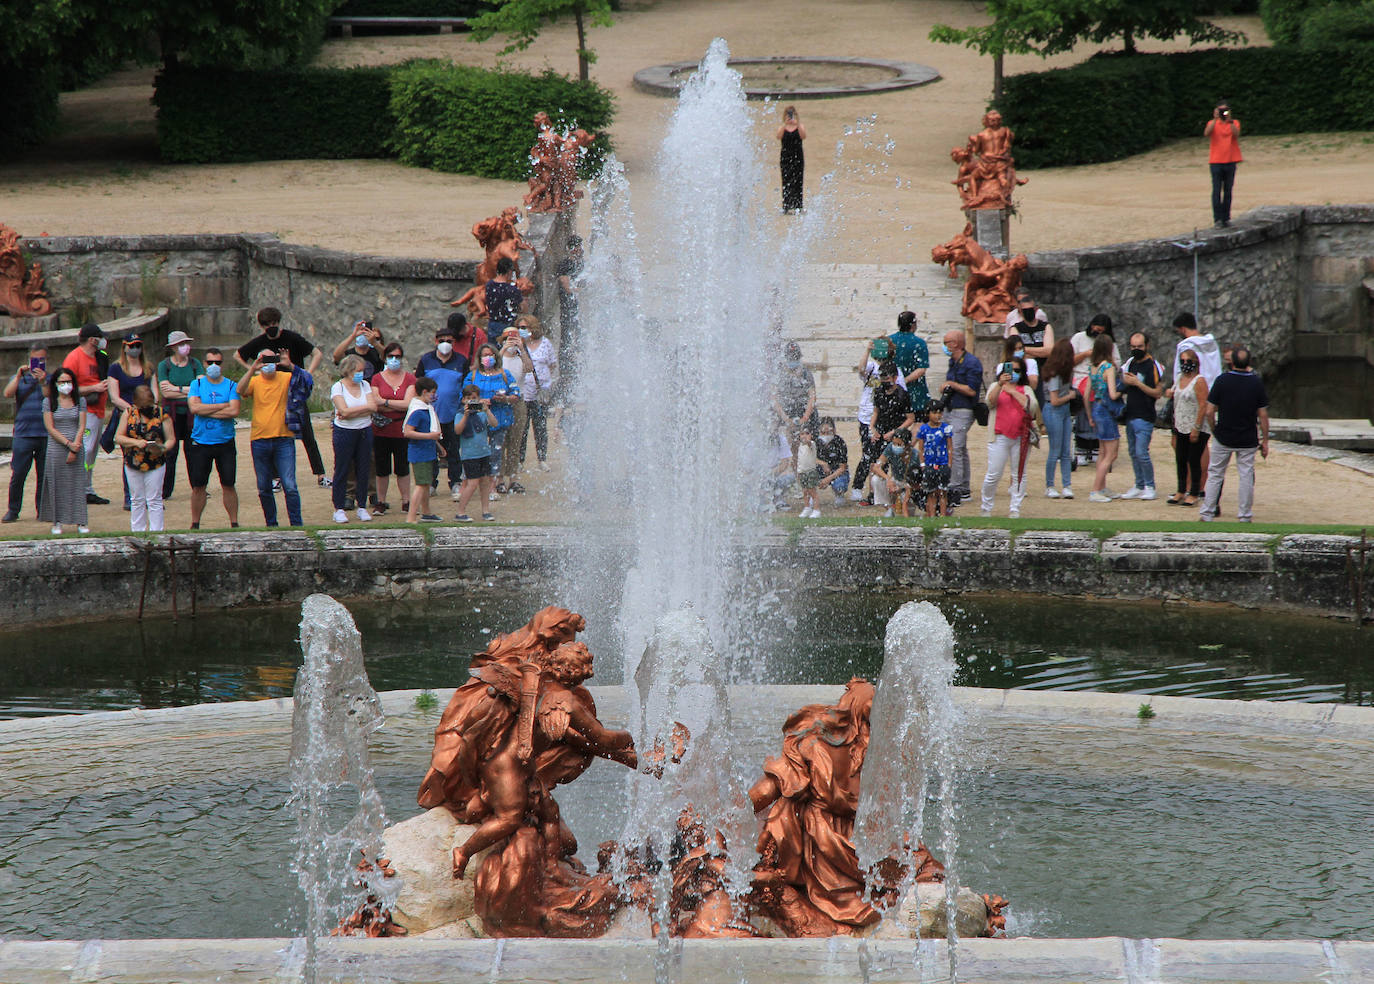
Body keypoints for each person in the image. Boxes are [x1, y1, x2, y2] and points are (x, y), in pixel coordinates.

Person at [235, 307, 328, 488]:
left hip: (293, 391)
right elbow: (237, 355)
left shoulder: (292, 338)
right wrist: (253, 370)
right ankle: (276, 478)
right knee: (276, 436)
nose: (272, 327)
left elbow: (317, 353)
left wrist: (306, 373)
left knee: (308, 435)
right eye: (268, 324)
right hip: (271, 391)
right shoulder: (260, 343)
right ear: (262, 326)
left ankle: (320, 474)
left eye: (274, 323)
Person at [1199, 347, 1269, 522]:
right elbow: (1263, 414)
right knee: (1246, 475)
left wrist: (1213, 428)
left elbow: (1209, 411)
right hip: (1247, 437)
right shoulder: (1256, 383)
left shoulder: (1222, 380)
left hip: (1224, 435)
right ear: (1249, 363)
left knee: (1215, 473)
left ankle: (1207, 512)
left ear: (1232, 362)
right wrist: (1265, 439)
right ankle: (1244, 515)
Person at [237, 346, 303, 528]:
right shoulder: (255, 381)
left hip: (284, 438)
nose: (268, 364)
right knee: (264, 487)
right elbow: (240, 390)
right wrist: (252, 368)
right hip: (260, 439)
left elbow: (306, 380)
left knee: (290, 485)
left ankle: (297, 525)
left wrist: (290, 365)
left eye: (271, 360)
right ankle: (271, 524)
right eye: (263, 360)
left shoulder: (286, 378)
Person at [416, 318, 470, 500]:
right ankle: (431, 483)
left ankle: (455, 482)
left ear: (454, 342)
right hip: (431, 414)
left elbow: (465, 385)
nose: (445, 344)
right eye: (442, 341)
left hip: (453, 413)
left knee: (454, 450)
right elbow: (418, 384)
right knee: (431, 449)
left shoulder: (461, 361)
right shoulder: (426, 360)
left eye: (449, 341)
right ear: (435, 341)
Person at [186, 347, 240, 529]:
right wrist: (222, 406)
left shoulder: (231, 385)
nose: (214, 366)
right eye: (210, 362)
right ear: (204, 364)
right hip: (201, 442)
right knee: (198, 486)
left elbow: (234, 411)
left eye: (218, 362)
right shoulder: (197, 385)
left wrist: (206, 409)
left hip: (225, 442)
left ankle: (234, 522)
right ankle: (195, 523)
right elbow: (194, 409)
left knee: (228, 484)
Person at [980, 355, 1038, 517]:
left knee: (1019, 473)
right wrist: (1000, 384)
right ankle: (986, 507)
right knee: (993, 474)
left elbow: (1031, 407)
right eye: (1010, 369)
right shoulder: (995, 385)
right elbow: (989, 402)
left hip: (1021, 437)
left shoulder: (1026, 389)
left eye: (1017, 370)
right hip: (999, 436)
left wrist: (1013, 391)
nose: (1013, 373)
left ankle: (1015, 508)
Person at [114, 385, 175, 532]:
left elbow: (171, 439)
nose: (146, 408)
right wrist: (136, 442)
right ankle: (138, 531)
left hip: (155, 462)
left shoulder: (162, 414)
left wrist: (162, 449)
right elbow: (118, 437)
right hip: (133, 461)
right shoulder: (129, 413)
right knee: (136, 499)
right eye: (143, 406)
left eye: (148, 405)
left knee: (154, 499)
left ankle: (157, 531)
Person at [462, 342, 520, 499]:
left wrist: (505, 398)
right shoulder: (472, 376)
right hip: (476, 421)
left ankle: (492, 488)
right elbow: (464, 399)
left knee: (496, 453)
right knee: (472, 451)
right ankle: (466, 486)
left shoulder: (505, 374)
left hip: (500, 420)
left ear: (496, 356)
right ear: (479, 358)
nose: (488, 358)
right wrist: (481, 403)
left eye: (490, 355)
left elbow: (516, 395)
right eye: (484, 355)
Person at [850, 338, 904, 500]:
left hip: (884, 419)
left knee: (882, 455)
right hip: (866, 417)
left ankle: (876, 491)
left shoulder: (896, 370)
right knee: (867, 454)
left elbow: (900, 390)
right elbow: (860, 369)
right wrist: (867, 350)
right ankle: (857, 486)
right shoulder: (872, 367)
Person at [62, 323, 109, 505]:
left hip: (98, 410)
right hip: (83, 410)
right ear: (92, 340)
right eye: (99, 338)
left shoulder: (100, 357)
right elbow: (66, 387)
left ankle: (86, 488)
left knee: (92, 452)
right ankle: (76, 488)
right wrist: (93, 388)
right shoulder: (74, 358)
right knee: (85, 450)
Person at [103, 334, 151, 510]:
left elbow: (154, 393)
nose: (135, 348)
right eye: (131, 345)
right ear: (124, 347)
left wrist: (147, 410)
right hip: (126, 415)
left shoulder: (147, 368)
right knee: (130, 456)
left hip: (147, 417)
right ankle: (130, 496)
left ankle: (148, 496)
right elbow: (114, 397)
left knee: (148, 454)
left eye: (138, 345)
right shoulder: (116, 369)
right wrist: (133, 410)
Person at [39, 367, 89, 534]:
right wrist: (68, 444)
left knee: (77, 484)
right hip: (57, 448)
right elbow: (50, 428)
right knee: (56, 484)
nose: (66, 385)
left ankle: (81, 521)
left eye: (69, 381)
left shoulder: (80, 400)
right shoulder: (48, 402)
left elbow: (82, 425)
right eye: (62, 382)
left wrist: (75, 446)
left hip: (76, 446)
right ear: (56, 384)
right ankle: (57, 521)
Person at [155, 330, 203, 500]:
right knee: (170, 452)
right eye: (182, 344)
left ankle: (198, 487)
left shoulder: (195, 363)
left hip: (192, 414)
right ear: (174, 347)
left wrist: (177, 389)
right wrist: (188, 390)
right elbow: (165, 392)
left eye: (186, 343)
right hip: (172, 415)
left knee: (193, 452)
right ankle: (165, 490)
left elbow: (201, 389)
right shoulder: (164, 365)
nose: (186, 347)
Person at [329, 354, 377, 524]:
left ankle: (362, 506)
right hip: (344, 432)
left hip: (364, 430)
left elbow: (373, 407)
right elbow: (343, 411)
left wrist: (352, 411)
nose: (361, 374)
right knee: (342, 469)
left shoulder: (365, 385)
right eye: (358, 371)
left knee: (364, 468)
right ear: (348, 371)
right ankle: (339, 508)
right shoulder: (338, 388)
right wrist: (357, 410)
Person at [4, 342, 48, 523]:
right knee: (19, 473)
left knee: (44, 475)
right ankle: (13, 510)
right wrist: (18, 376)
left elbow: (51, 396)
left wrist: (44, 380)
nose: (38, 363)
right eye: (35, 359)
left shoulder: (51, 378)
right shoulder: (20, 377)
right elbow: (7, 393)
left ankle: (43, 509)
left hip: (45, 433)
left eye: (42, 359)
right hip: (23, 433)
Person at [938, 329, 983, 506]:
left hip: (964, 410)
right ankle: (963, 487)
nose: (945, 345)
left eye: (946, 342)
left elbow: (972, 390)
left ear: (954, 344)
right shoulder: (953, 361)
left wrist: (952, 384)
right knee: (960, 448)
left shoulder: (972, 363)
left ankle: (955, 488)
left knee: (955, 448)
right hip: (950, 409)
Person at [371, 341, 415, 516]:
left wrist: (387, 402)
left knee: (402, 467)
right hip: (381, 429)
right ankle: (380, 501)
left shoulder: (410, 378)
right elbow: (375, 404)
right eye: (391, 356)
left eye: (397, 356)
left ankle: (406, 500)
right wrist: (395, 405)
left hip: (401, 428)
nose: (394, 360)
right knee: (382, 468)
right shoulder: (377, 378)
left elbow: (408, 404)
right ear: (385, 358)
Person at [1118, 331, 1164, 501]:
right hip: (1130, 414)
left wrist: (1137, 383)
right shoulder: (1130, 363)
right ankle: (1139, 485)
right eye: (1133, 347)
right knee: (1132, 451)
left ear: (1147, 346)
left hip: (1145, 415)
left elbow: (1157, 393)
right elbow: (1121, 379)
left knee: (1141, 452)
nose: (1136, 349)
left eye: (1140, 346)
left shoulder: (1153, 366)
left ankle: (1150, 486)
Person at [1070, 313, 1119, 465]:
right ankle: (1083, 445)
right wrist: (1085, 354)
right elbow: (1068, 360)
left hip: (1101, 379)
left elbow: (1117, 364)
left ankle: (1097, 444)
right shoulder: (1078, 338)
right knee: (1085, 402)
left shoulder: (1110, 344)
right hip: (1082, 377)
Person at [1167, 350, 1211, 506]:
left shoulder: (1199, 381)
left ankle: (1194, 492)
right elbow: (1174, 393)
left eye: (1188, 361)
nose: (1185, 365)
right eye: (1182, 361)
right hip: (1181, 425)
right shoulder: (1180, 378)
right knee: (1181, 458)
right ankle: (1181, 490)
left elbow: (1203, 405)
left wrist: (1196, 428)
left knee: (1194, 460)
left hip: (1195, 426)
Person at [516, 314, 556, 474]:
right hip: (523, 393)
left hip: (539, 393)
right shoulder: (518, 346)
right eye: (519, 327)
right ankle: (519, 460)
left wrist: (544, 382)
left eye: (524, 327)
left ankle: (542, 459)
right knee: (522, 428)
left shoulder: (545, 343)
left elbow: (552, 364)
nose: (521, 330)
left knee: (540, 427)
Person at [498, 326, 535, 494]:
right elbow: (490, 371)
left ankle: (513, 479)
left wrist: (522, 348)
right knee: (500, 441)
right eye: (508, 337)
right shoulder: (499, 357)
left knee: (516, 441)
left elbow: (529, 369)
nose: (512, 340)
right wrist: (504, 348)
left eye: (515, 337)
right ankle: (499, 479)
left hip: (518, 402)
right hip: (500, 402)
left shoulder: (521, 357)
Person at [454, 383, 499, 522]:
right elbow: (458, 430)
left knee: (485, 482)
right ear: (463, 400)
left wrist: (487, 410)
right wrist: (466, 415)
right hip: (470, 455)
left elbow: (494, 424)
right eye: (468, 398)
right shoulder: (460, 414)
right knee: (472, 483)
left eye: (474, 398)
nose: (470, 401)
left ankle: (485, 510)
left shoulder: (481, 413)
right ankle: (460, 512)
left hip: (484, 453)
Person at [1087, 335, 1123, 503]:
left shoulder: (1093, 368)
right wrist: (1124, 387)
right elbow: (1113, 393)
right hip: (1107, 411)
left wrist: (1089, 416)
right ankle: (1095, 490)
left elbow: (1087, 395)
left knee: (1102, 451)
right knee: (1111, 453)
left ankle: (1101, 487)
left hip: (1096, 408)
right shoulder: (1108, 367)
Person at [403, 377, 444, 523]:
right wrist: (430, 436)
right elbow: (408, 432)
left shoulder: (427, 409)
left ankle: (426, 513)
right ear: (425, 392)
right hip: (419, 453)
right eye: (433, 392)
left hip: (428, 451)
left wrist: (438, 446)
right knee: (421, 484)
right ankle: (411, 517)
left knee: (426, 482)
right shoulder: (418, 411)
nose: (434, 395)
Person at [1040, 339, 1076, 499]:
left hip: (1064, 411)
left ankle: (1067, 485)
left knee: (1066, 451)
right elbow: (1054, 400)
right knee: (1055, 450)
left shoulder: (1066, 372)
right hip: (1054, 410)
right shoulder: (1054, 374)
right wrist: (1070, 396)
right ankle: (1050, 485)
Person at [774, 341, 817, 457]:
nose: (793, 360)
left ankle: (801, 469)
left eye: (795, 357)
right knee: (786, 440)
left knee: (804, 441)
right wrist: (785, 418)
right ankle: (787, 466)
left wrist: (805, 417)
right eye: (790, 357)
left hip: (803, 410)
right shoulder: (779, 373)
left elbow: (812, 397)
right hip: (785, 411)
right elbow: (774, 397)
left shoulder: (805, 373)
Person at [888, 310, 930, 421]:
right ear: (913, 324)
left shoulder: (890, 340)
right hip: (916, 392)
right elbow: (921, 369)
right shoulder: (919, 343)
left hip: (894, 390)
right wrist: (904, 380)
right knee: (918, 423)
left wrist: (897, 381)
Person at [1205, 100, 1242, 228]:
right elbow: (1207, 133)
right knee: (1216, 191)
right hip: (1216, 161)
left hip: (1230, 160)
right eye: (1220, 110)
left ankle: (1226, 218)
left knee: (1228, 190)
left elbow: (1236, 134)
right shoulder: (1212, 123)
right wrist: (1215, 119)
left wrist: (1229, 120)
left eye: (1225, 110)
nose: (1222, 113)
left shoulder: (1234, 122)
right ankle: (1217, 219)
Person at [555, 236, 583, 387]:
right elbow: (567, 286)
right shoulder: (566, 264)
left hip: (577, 309)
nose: (579, 249)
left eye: (580, 246)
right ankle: (566, 372)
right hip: (569, 309)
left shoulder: (581, 264)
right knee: (568, 338)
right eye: (576, 246)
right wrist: (583, 291)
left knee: (578, 338)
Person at [869, 426, 914, 518]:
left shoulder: (914, 454)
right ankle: (889, 508)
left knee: (909, 513)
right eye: (894, 443)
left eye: (899, 444)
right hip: (895, 480)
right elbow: (876, 467)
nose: (895, 446)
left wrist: (903, 489)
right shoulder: (890, 448)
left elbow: (916, 481)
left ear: (907, 445)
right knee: (876, 479)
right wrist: (888, 479)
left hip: (909, 485)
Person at [1171, 311, 1223, 387]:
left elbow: (1179, 373)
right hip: (1214, 390)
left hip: (1195, 390)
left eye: (1177, 331)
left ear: (1183, 329)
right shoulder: (1212, 343)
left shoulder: (1185, 346)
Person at [1004, 287, 1055, 361]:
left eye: (1030, 310)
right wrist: (1040, 352)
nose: (1028, 312)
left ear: (1035, 309)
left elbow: (1049, 350)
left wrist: (1024, 349)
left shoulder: (1046, 326)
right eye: (1025, 310)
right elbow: (1014, 349)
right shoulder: (1015, 328)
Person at [484, 256, 526, 337]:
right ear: (509, 271)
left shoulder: (489, 285)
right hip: (508, 326)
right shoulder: (512, 289)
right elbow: (524, 308)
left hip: (492, 324)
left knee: (493, 348)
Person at [776, 104, 806, 213]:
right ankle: (786, 206)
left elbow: (803, 136)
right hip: (785, 157)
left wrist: (796, 124)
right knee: (786, 180)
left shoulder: (800, 126)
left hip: (798, 156)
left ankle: (798, 205)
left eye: (791, 115)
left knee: (798, 180)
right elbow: (778, 136)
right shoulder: (782, 128)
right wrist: (785, 125)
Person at [814, 417, 850, 505]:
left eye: (829, 432)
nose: (826, 435)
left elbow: (842, 467)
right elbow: (809, 458)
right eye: (823, 432)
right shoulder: (815, 442)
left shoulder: (839, 443)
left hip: (836, 471)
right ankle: (812, 496)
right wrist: (823, 464)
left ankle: (839, 494)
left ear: (834, 431)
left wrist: (827, 479)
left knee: (840, 485)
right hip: (820, 470)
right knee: (807, 473)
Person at [795, 428, 821, 518]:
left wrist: (808, 441)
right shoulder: (800, 446)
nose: (804, 436)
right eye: (802, 434)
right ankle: (807, 508)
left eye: (807, 433)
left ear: (811, 435)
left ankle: (816, 509)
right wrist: (798, 471)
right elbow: (800, 460)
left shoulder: (812, 444)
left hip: (810, 471)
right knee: (805, 491)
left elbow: (809, 444)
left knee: (812, 491)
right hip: (802, 472)